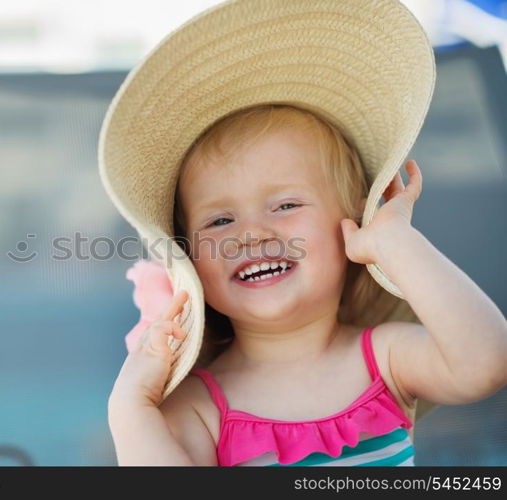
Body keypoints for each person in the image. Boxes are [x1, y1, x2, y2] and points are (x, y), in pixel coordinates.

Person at [99, 0, 507, 466]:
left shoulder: (385, 359)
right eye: (220, 221)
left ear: (355, 224)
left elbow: (487, 363)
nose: (251, 234)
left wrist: (394, 241)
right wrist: (130, 407)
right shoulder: (198, 409)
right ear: (187, 257)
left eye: (287, 205)